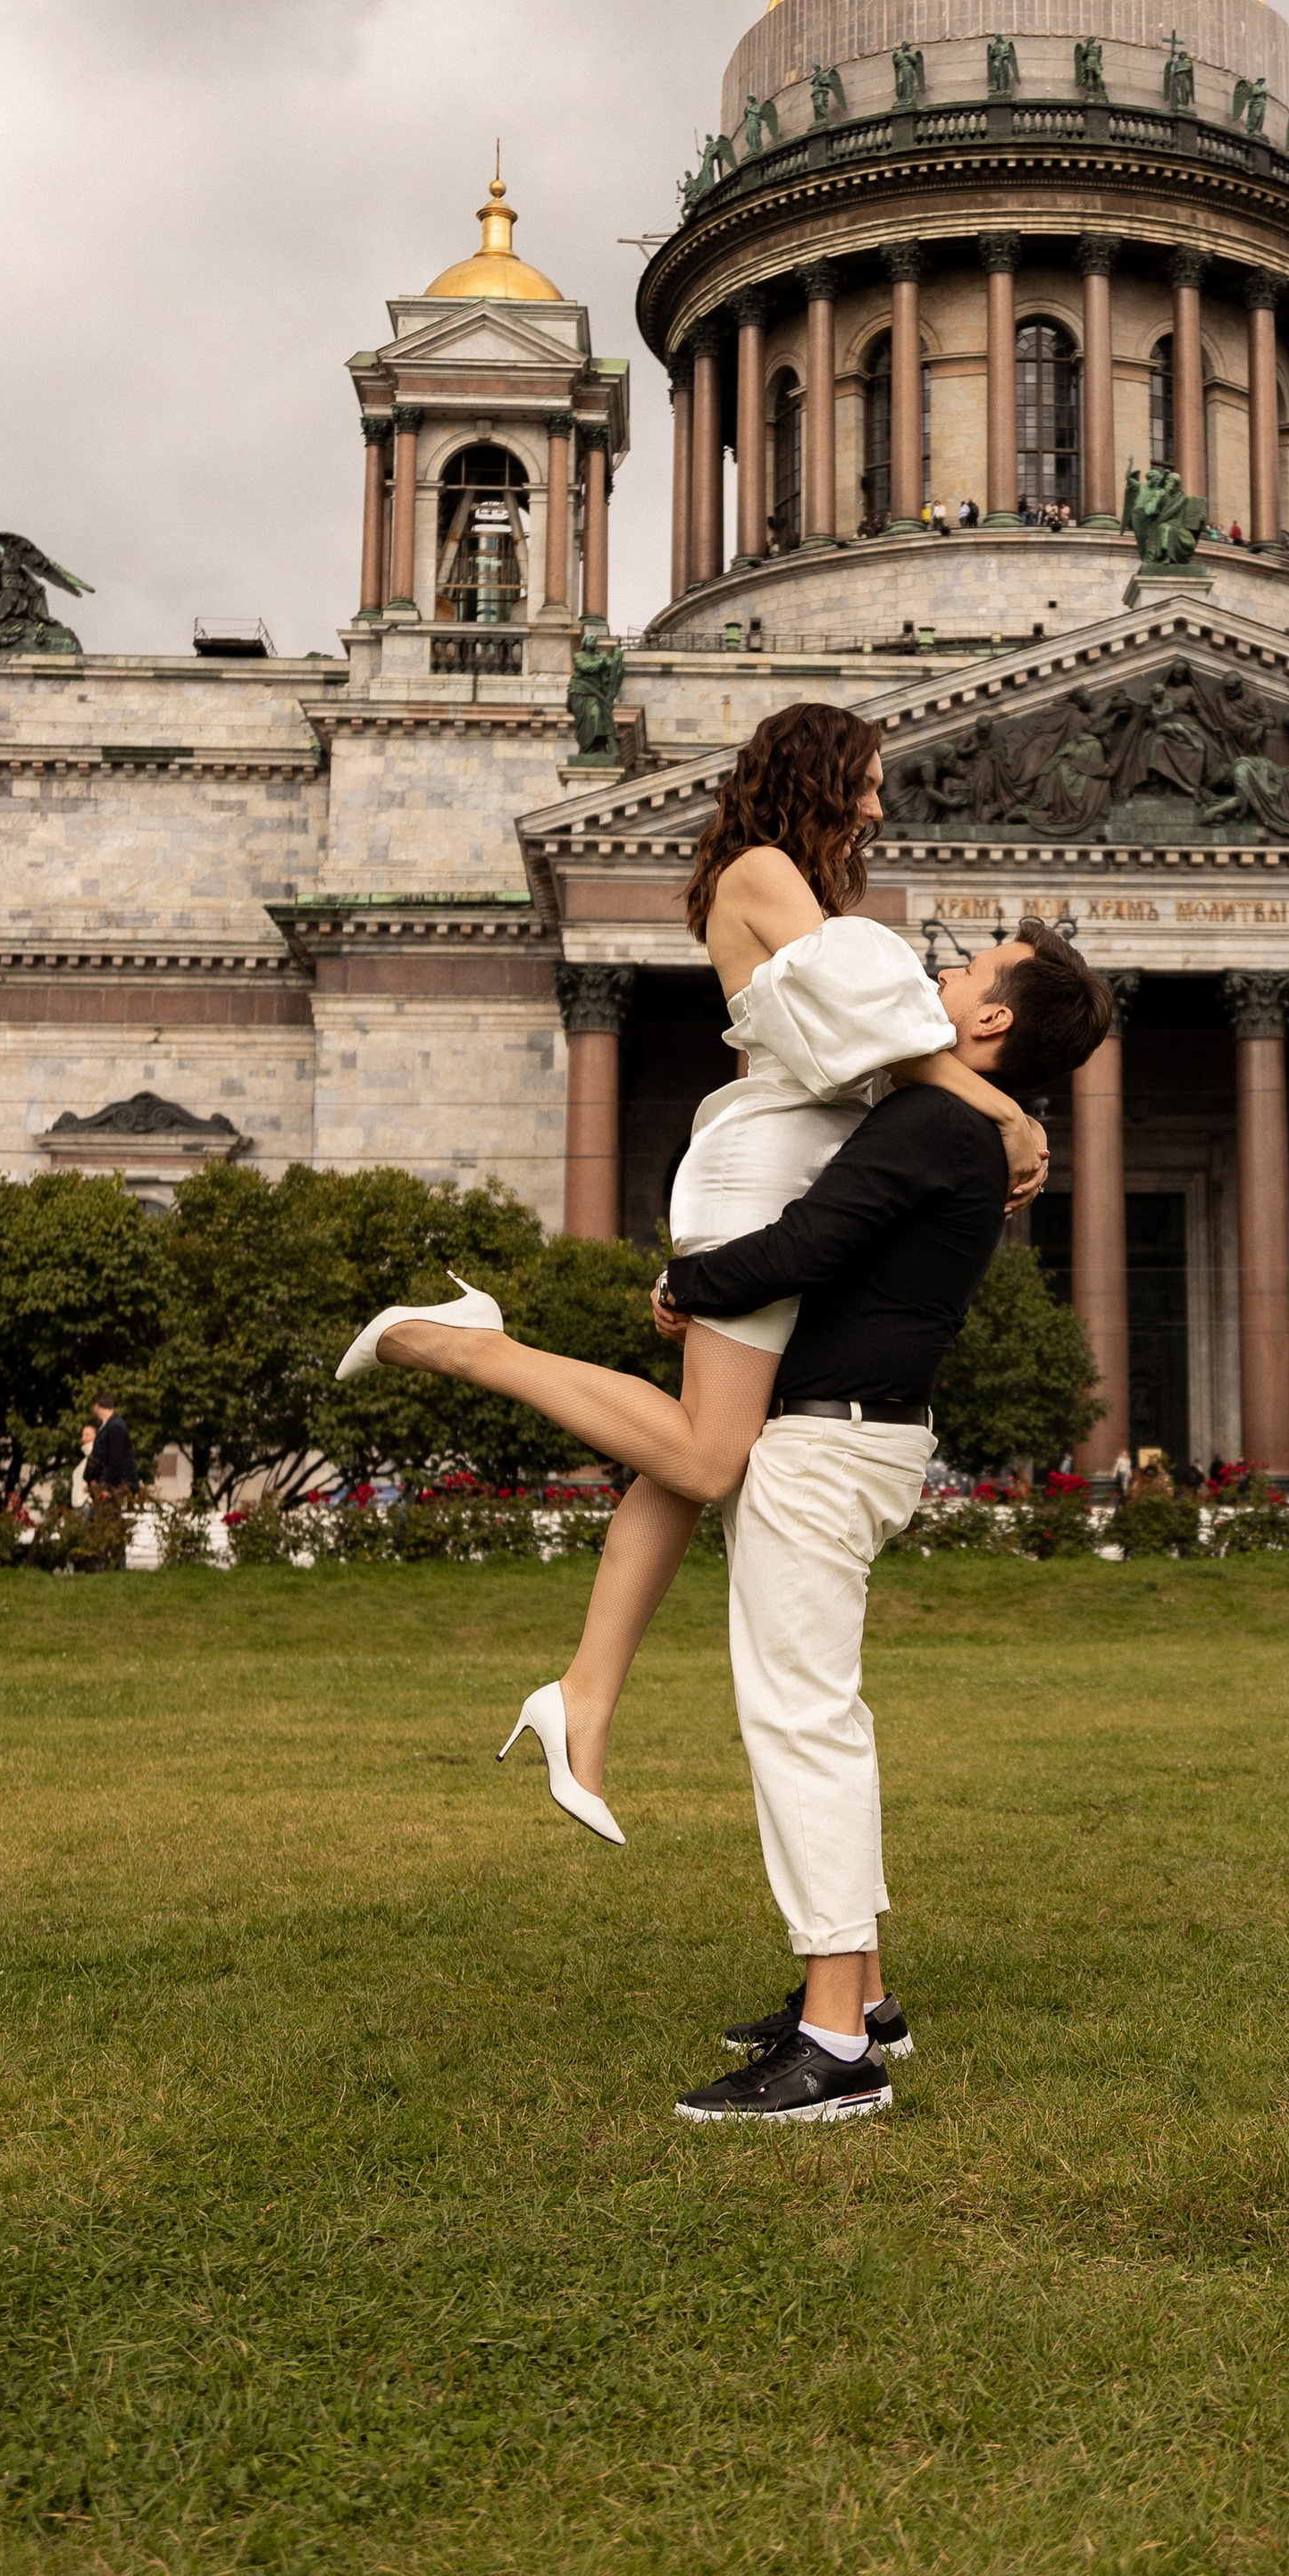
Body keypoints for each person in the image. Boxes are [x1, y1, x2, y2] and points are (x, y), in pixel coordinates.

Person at [336, 706, 1048, 1844]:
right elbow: (886, 1036)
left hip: (779, 1162)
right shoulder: (763, 870)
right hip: (761, 1165)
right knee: (711, 1455)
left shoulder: (780, 883)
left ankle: (584, 1698)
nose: (875, 805)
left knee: (682, 1457)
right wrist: (1007, 1107)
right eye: (862, 783)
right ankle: (465, 1341)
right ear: (812, 776)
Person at [655, 919, 1114, 2121]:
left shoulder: (932, 1123)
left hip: (826, 1439)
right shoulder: (961, 1123)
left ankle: (832, 2048)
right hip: (860, 1431)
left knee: (801, 1721)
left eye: (962, 967)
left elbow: (811, 1243)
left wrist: (685, 1284)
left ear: (994, 1021)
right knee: (824, 1714)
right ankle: (862, 1997)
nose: (940, 971)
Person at [84, 1393, 141, 1562]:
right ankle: (114, 1563)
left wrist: (108, 1488)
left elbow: (115, 1461)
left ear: (97, 1406)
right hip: (110, 1484)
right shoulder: (110, 1425)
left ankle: (102, 1562)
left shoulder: (115, 1426)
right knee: (109, 1523)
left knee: (97, 1523)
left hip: (114, 1485)